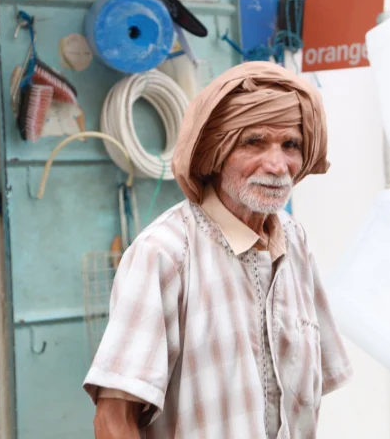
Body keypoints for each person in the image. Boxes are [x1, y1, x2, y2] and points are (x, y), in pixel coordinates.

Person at [83, 61, 353, 438]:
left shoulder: (295, 241)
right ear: (216, 153)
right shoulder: (165, 254)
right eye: (254, 142)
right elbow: (113, 421)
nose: (277, 165)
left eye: (290, 145)